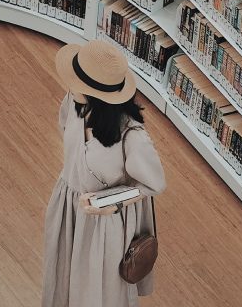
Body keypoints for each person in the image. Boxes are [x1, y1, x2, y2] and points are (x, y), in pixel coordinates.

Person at [42, 40, 167, 307]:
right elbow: (66, 132)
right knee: (63, 280)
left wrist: (111, 201)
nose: (71, 85)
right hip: (69, 207)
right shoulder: (74, 103)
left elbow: (152, 185)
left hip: (103, 224)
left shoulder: (132, 136)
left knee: (98, 293)